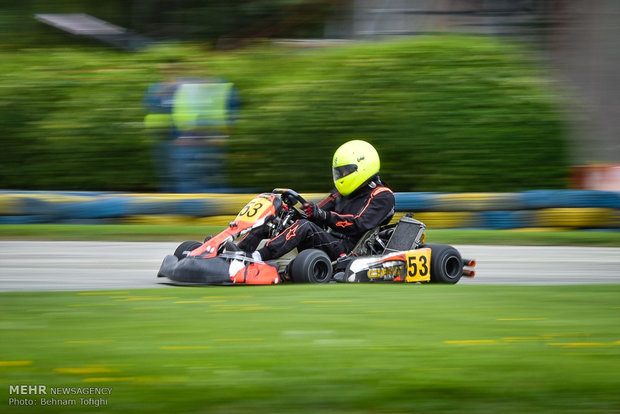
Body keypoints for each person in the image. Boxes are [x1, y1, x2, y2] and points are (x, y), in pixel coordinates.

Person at [238, 140, 395, 262]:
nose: (342, 176)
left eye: (346, 171)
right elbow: (316, 212)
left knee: (304, 227)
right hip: (329, 241)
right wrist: (298, 211)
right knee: (277, 216)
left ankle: (256, 258)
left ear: (363, 167)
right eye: (340, 172)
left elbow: (358, 224)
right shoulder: (342, 193)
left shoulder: (382, 196)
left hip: (347, 250)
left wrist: (323, 216)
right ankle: (238, 252)